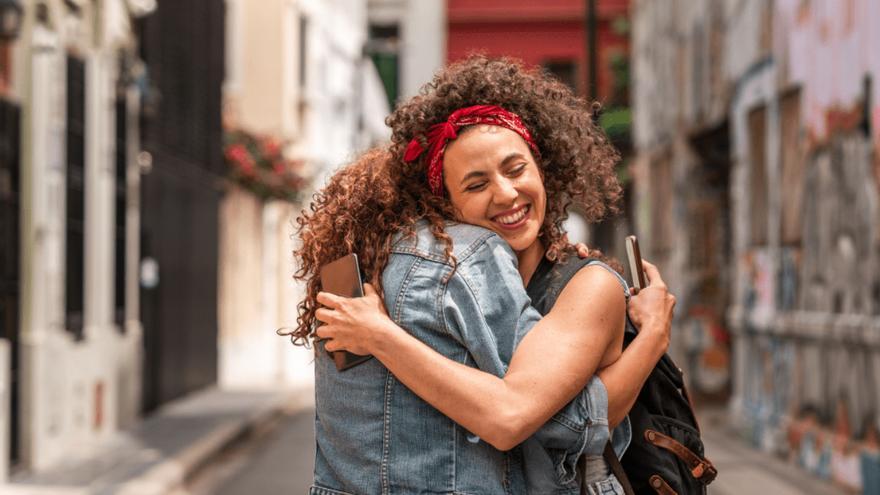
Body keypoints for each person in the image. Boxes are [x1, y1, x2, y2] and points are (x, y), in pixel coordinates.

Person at [290, 56, 675, 494]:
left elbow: (534, 422)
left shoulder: (588, 284)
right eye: (476, 185)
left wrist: (653, 337)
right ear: (445, 205)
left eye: (516, 170)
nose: (506, 193)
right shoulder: (452, 276)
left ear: (542, 168)